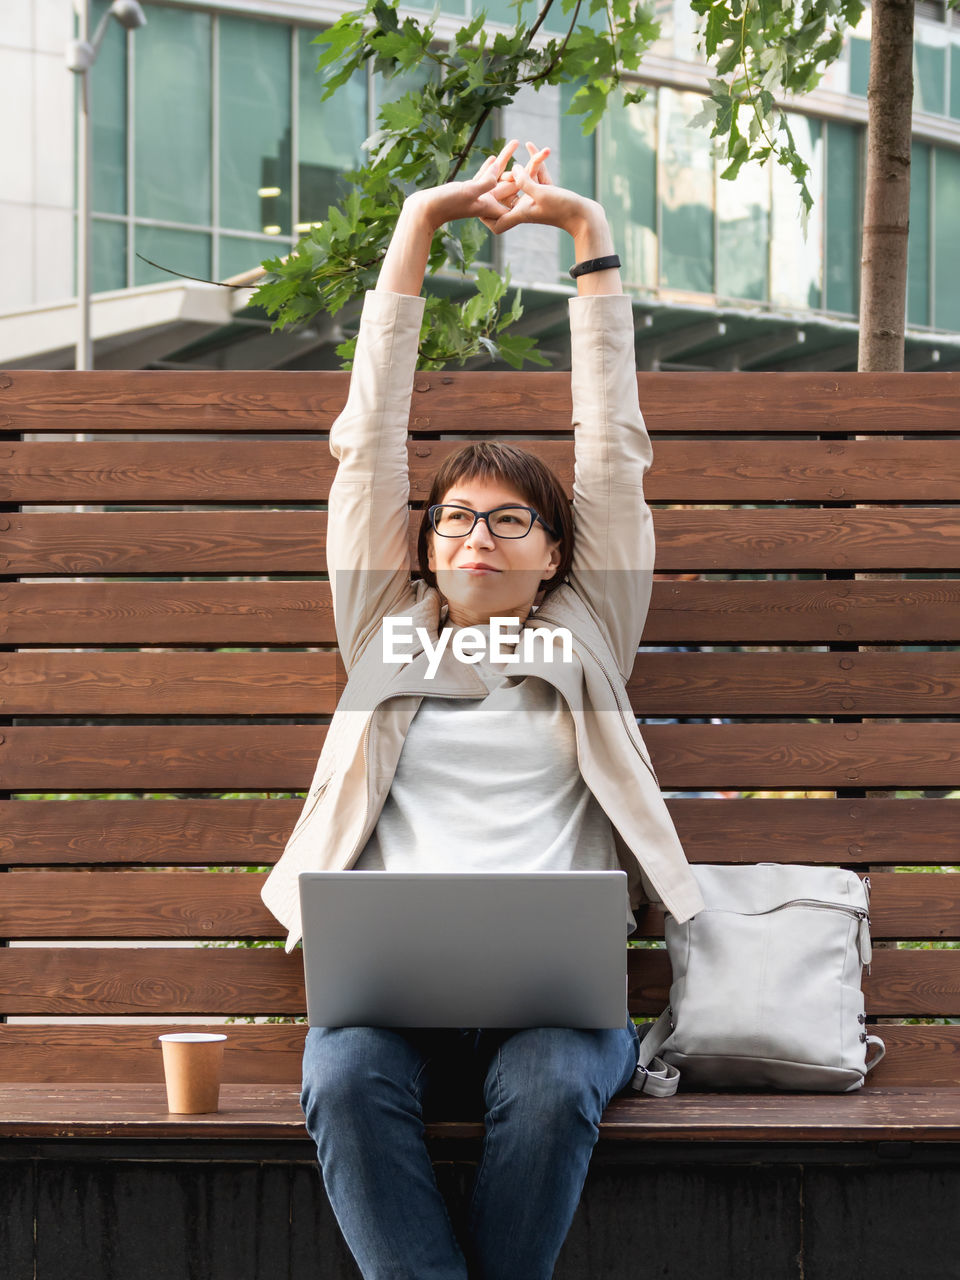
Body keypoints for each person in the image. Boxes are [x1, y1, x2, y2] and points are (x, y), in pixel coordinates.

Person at [261, 139, 705, 1280]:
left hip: (555, 1010)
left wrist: (587, 236)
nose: (478, 536)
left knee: (558, 1085)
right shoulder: (385, 629)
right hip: (389, 1000)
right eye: (457, 518)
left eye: (512, 521)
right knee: (343, 1077)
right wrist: (418, 226)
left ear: (559, 553)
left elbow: (614, 447)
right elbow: (368, 445)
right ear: (424, 546)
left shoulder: (589, 628)